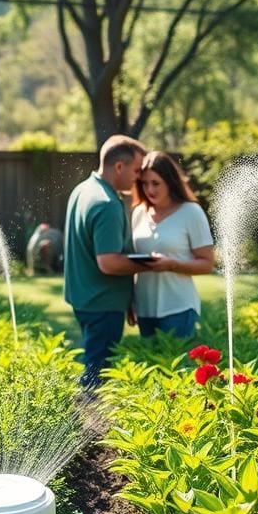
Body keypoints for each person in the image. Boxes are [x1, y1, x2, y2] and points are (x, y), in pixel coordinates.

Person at [64, 135, 151, 387]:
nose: (139, 178)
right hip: (102, 302)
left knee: (94, 364)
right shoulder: (107, 204)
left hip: (83, 297)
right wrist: (152, 263)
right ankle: (90, 424)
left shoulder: (83, 189)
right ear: (119, 167)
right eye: (136, 170)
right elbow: (109, 263)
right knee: (98, 375)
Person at [131, 151, 214, 339]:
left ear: (170, 182)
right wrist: (131, 300)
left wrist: (171, 265)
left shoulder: (191, 212)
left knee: (175, 367)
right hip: (144, 310)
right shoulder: (138, 213)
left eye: (156, 183)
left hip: (178, 309)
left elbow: (207, 264)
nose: (149, 190)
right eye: (144, 183)